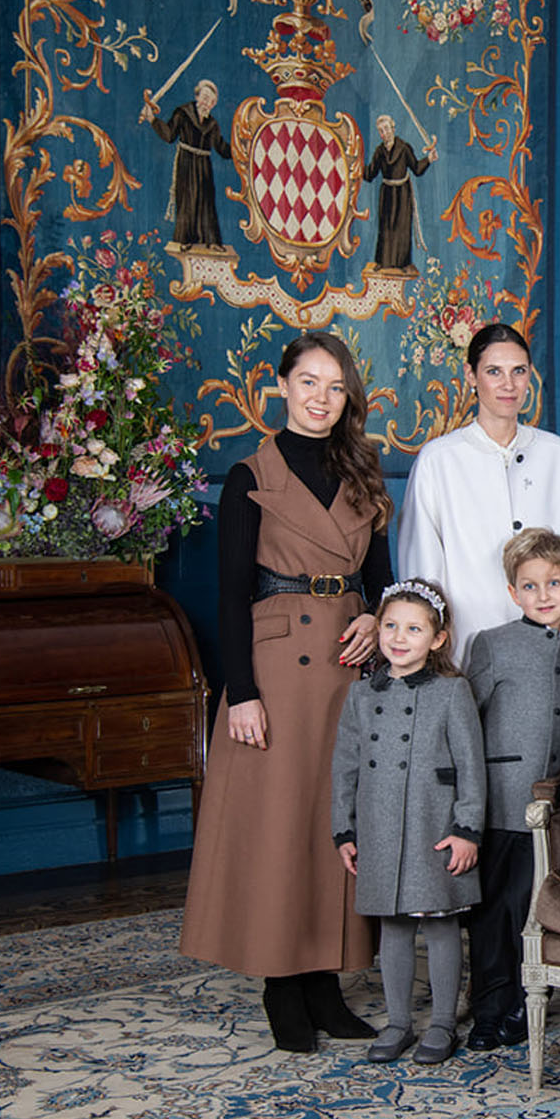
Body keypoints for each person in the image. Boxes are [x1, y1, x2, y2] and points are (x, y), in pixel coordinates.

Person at [180, 330, 393, 1051]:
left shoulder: (364, 473)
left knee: (333, 825)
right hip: (274, 666)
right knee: (279, 829)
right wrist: (239, 692)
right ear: (281, 386)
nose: (321, 400)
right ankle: (282, 985)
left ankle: (327, 983)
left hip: (344, 664)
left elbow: (383, 581)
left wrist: (372, 618)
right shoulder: (250, 474)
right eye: (308, 383)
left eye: (335, 387)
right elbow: (230, 592)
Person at [330, 579, 485, 1065]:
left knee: (440, 927)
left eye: (413, 629)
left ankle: (441, 1023)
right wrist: (344, 830)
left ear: (437, 639)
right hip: (379, 828)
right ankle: (397, 1022)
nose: (399, 637)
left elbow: (471, 766)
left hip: (432, 826)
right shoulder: (359, 696)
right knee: (392, 927)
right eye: (391, 626)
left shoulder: (452, 692)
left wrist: (467, 830)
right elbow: (345, 767)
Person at [461, 529, 560, 1052]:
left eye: (554, 583)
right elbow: (465, 722)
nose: (543, 595)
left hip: (555, 807)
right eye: (530, 586)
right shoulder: (491, 644)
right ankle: (488, 1007)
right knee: (492, 909)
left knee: (530, 903)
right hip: (500, 799)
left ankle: (524, 1003)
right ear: (512, 592)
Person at [398, 322, 560, 664]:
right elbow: (422, 566)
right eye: (494, 371)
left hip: (547, 647)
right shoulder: (439, 460)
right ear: (471, 375)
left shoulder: (557, 454)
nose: (508, 385)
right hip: (465, 645)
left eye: (518, 371)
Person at [145, 78, 232, 252]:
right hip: (186, 162)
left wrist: (239, 148)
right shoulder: (183, 113)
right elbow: (169, 135)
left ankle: (212, 241)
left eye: (211, 101)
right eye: (205, 97)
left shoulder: (212, 124)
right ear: (197, 96)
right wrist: (152, 120)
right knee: (187, 200)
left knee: (207, 202)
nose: (207, 103)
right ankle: (184, 240)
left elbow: (222, 148)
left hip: (204, 166)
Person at [364, 114, 437, 274]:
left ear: (393, 129)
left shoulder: (404, 148)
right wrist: (356, 166)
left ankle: (403, 263)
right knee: (386, 228)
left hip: (402, 193)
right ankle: (383, 262)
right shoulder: (379, 151)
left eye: (387, 129)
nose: (384, 133)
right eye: (381, 131)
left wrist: (429, 160)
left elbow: (417, 169)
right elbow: (370, 174)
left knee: (402, 228)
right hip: (387, 193)